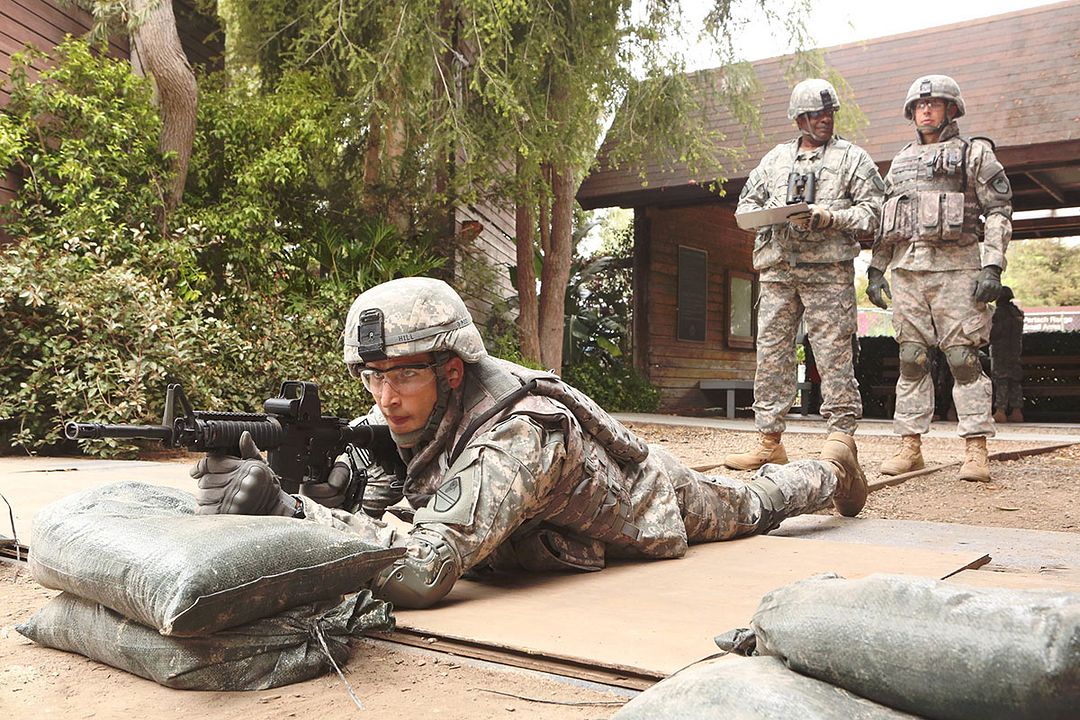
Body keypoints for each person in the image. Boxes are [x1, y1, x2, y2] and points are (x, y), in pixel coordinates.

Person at [192, 277, 869, 609]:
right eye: (372, 377)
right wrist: (322, 482)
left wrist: (293, 514)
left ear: (450, 370)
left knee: (747, 505)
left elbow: (426, 570)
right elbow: (389, 483)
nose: (385, 398)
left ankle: (830, 472)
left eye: (402, 376)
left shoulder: (520, 433)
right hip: (544, 526)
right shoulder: (404, 411)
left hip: (647, 497)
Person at [724, 79, 884, 471]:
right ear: (799, 118)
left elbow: (875, 211)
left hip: (827, 272)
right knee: (772, 355)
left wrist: (830, 217)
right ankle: (768, 440)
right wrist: (768, 214)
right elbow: (747, 203)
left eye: (829, 113)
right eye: (815, 114)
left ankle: (840, 437)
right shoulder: (775, 160)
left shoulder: (853, 159)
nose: (824, 120)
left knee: (833, 353)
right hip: (778, 269)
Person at [867, 75, 1013, 482]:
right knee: (911, 359)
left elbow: (999, 210)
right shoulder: (900, 160)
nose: (925, 110)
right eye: (919, 105)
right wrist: (877, 268)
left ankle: (975, 449)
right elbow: (889, 221)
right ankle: (910, 446)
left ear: (952, 109)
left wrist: (993, 265)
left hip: (958, 269)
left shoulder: (974, 154)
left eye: (934, 104)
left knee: (964, 360)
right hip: (909, 271)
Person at [990, 286, 1025, 423]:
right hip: (1015, 352)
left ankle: (1000, 411)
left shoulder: (998, 314)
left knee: (1001, 381)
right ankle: (1017, 412)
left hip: (1000, 352)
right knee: (1015, 381)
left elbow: (994, 333)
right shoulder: (1017, 313)